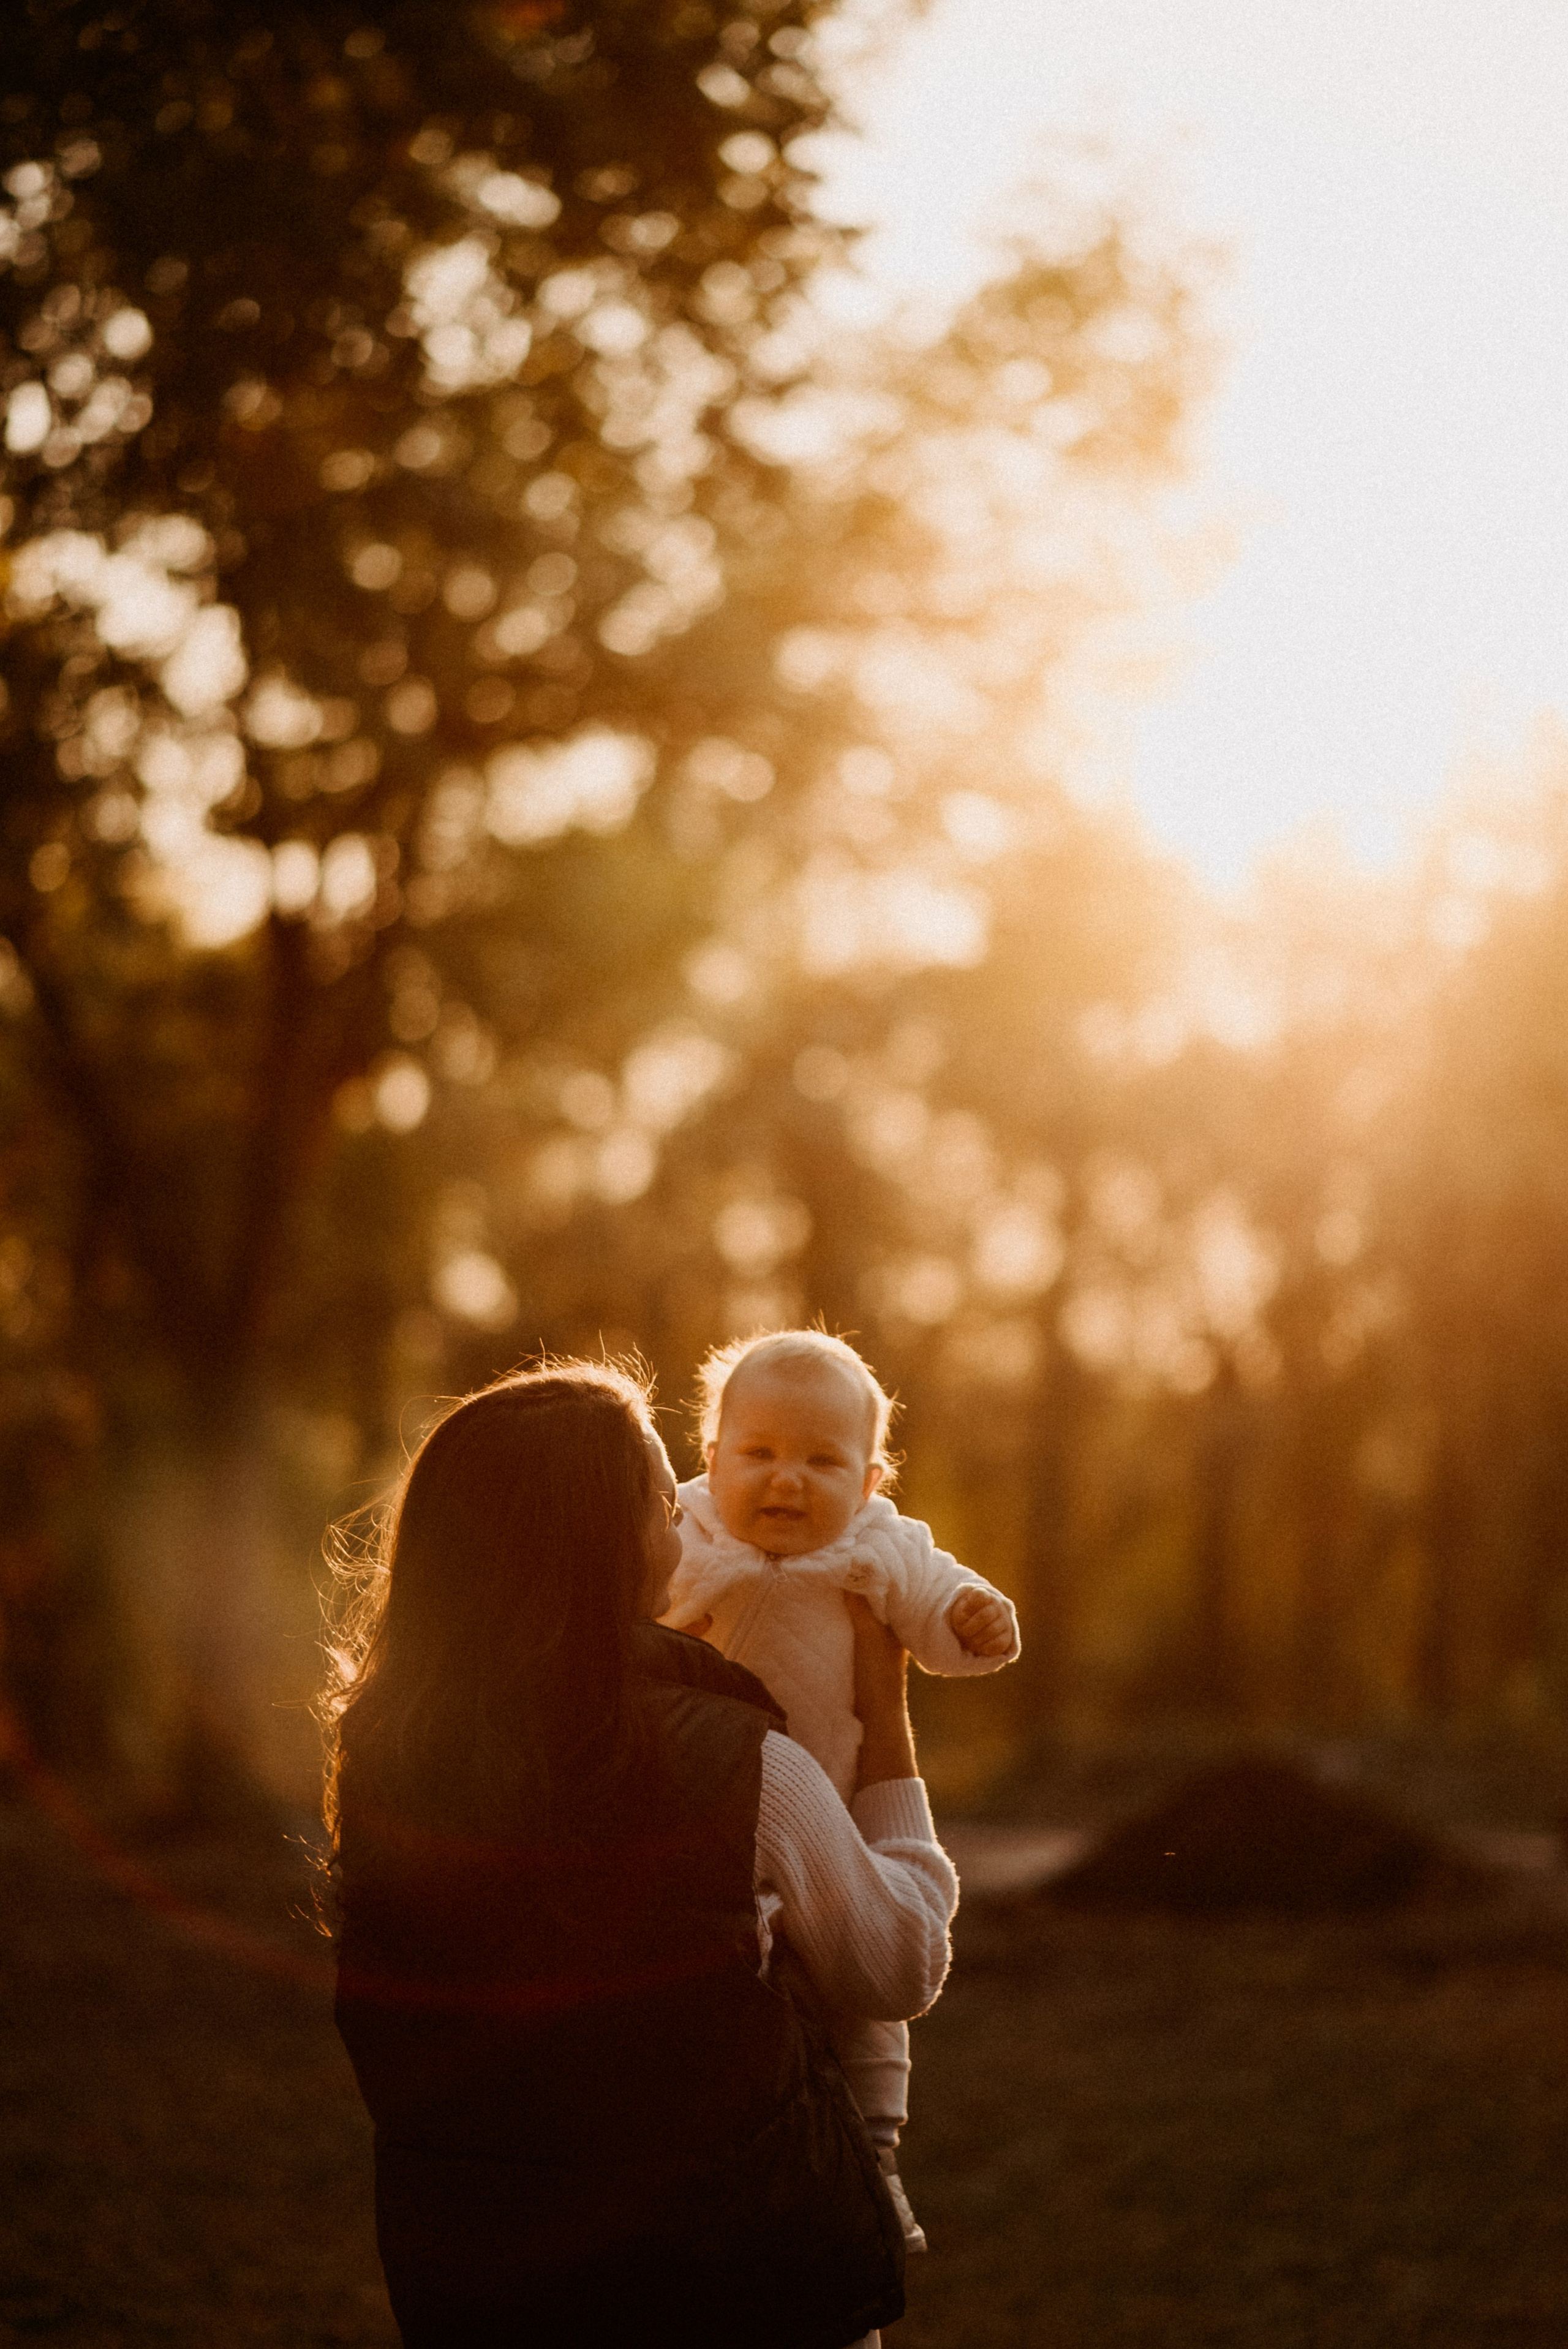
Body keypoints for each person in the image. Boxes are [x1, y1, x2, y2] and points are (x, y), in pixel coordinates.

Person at [323, 1359, 957, 2349]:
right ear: (612, 1546)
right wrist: (886, 1721)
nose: (691, 1524)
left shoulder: (387, 1759)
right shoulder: (743, 1761)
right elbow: (899, 1964)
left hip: (484, 2285)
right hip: (733, 2285)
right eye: (669, 1503)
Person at [663, 1329, 1019, 2250]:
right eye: (760, 1454)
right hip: (702, 1820)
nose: (787, 1480)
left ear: (868, 1485)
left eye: (824, 1460)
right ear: (709, 1462)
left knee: (862, 2007)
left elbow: (937, 1602)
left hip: (832, 1821)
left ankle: (876, 2160)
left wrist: (970, 1620)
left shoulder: (879, 1545)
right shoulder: (684, 1530)